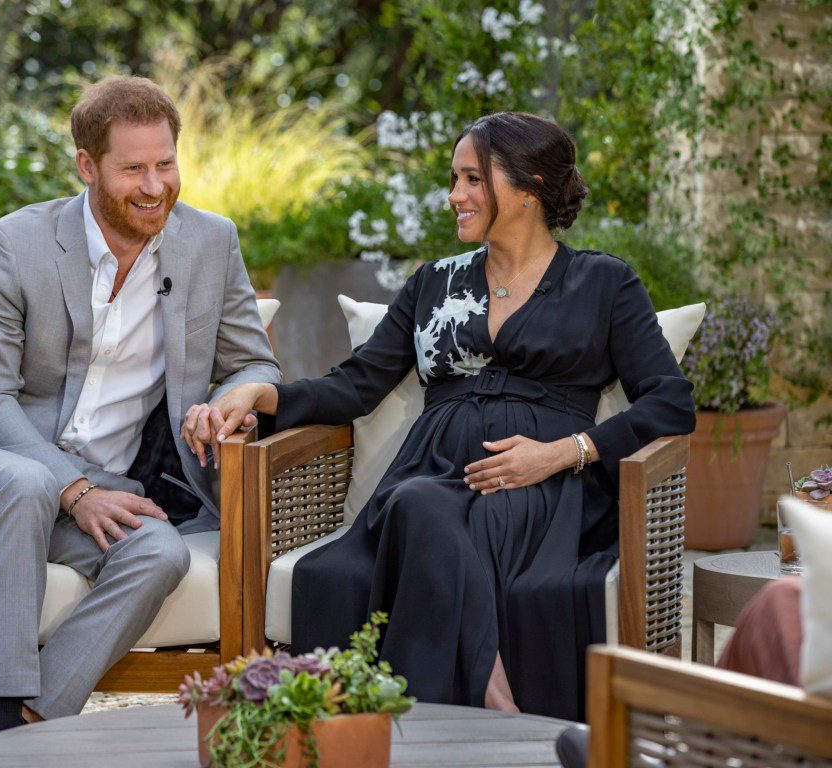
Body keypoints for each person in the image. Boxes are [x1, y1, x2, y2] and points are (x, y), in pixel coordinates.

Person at [189, 112, 696, 720]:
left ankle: (421, 727)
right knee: (415, 503)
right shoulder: (434, 282)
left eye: (472, 179)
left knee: (419, 507)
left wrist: (563, 453)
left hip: (540, 487)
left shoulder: (603, 283)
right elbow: (354, 386)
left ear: (529, 189)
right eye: (454, 179)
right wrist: (260, 397)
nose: (454, 196)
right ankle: (492, 696)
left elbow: (671, 401)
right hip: (432, 475)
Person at [0, 75, 280, 738]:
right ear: (87, 166)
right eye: (133, 168)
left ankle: (30, 721)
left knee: (160, 553)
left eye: (166, 164)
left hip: (104, 484)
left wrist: (227, 399)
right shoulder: (10, 246)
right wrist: (72, 489)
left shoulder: (210, 244)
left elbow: (253, 360)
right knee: (23, 484)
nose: (155, 186)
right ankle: (0, 723)